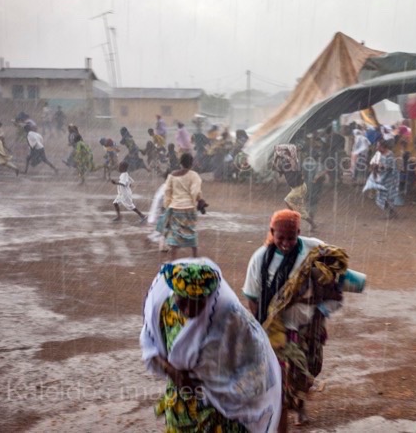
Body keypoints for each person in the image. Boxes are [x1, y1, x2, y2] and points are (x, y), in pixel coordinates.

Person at [141, 259, 282, 433]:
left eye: (197, 301)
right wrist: (173, 372)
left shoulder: (232, 318)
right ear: (173, 293)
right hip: (182, 407)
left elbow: (258, 365)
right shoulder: (164, 312)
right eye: (183, 300)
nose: (188, 309)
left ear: (211, 296)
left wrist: (228, 391)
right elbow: (150, 347)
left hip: (221, 411)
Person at [242, 210, 348, 429]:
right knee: (281, 375)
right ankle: (287, 411)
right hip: (277, 328)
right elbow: (252, 296)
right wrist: (260, 327)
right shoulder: (260, 258)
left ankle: (297, 403)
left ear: (299, 233)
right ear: (272, 232)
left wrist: (322, 308)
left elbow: (336, 277)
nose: (286, 243)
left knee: (308, 368)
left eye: (291, 237)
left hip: (309, 324)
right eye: (280, 237)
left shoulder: (315, 249)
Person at [158, 152, 205, 257]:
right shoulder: (194, 175)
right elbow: (195, 191)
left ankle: (173, 259)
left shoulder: (172, 175)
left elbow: (167, 192)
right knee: (191, 232)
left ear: (180, 163)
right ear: (191, 163)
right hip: (189, 209)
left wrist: (167, 206)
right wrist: (198, 201)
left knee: (175, 234)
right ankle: (194, 257)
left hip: (175, 208)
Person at [273, 144, 316, 231]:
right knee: (300, 208)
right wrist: (276, 158)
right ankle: (312, 223)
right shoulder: (284, 164)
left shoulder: (294, 162)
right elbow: (276, 168)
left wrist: (279, 154)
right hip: (296, 188)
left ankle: (293, 219)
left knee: (288, 200)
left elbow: (290, 151)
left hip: (299, 187)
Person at [372, 139, 399, 218]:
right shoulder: (379, 154)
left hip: (390, 179)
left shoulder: (390, 155)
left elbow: (390, 167)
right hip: (383, 178)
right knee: (381, 195)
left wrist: (381, 166)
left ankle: (391, 213)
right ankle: (391, 212)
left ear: (383, 147)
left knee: (387, 196)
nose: (377, 148)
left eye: (378, 146)